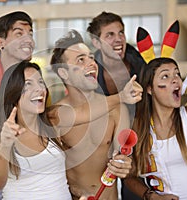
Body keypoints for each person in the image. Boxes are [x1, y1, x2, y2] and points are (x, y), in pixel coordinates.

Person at [48, 30, 140, 200]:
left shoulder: (117, 110)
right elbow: (50, 173)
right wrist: (76, 192)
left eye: (91, 57)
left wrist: (126, 166)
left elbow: (128, 162)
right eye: (81, 60)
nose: (91, 63)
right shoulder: (54, 116)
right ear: (63, 73)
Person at [0, 60, 73, 199]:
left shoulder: (54, 123)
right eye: (28, 84)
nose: (39, 89)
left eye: (41, 82)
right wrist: (5, 146)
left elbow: (93, 112)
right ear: (13, 95)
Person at [124, 56, 187, 200]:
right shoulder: (139, 128)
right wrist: (151, 196)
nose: (175, 79)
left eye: (177, 74)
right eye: (165, 76)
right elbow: (128, 177)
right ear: (150, 89)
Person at [87, 11, 145, 96]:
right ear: (97, 43)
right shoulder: (88, 73)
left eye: (121, 33)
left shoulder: (143, 67)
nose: (119, 39)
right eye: (110, 35)